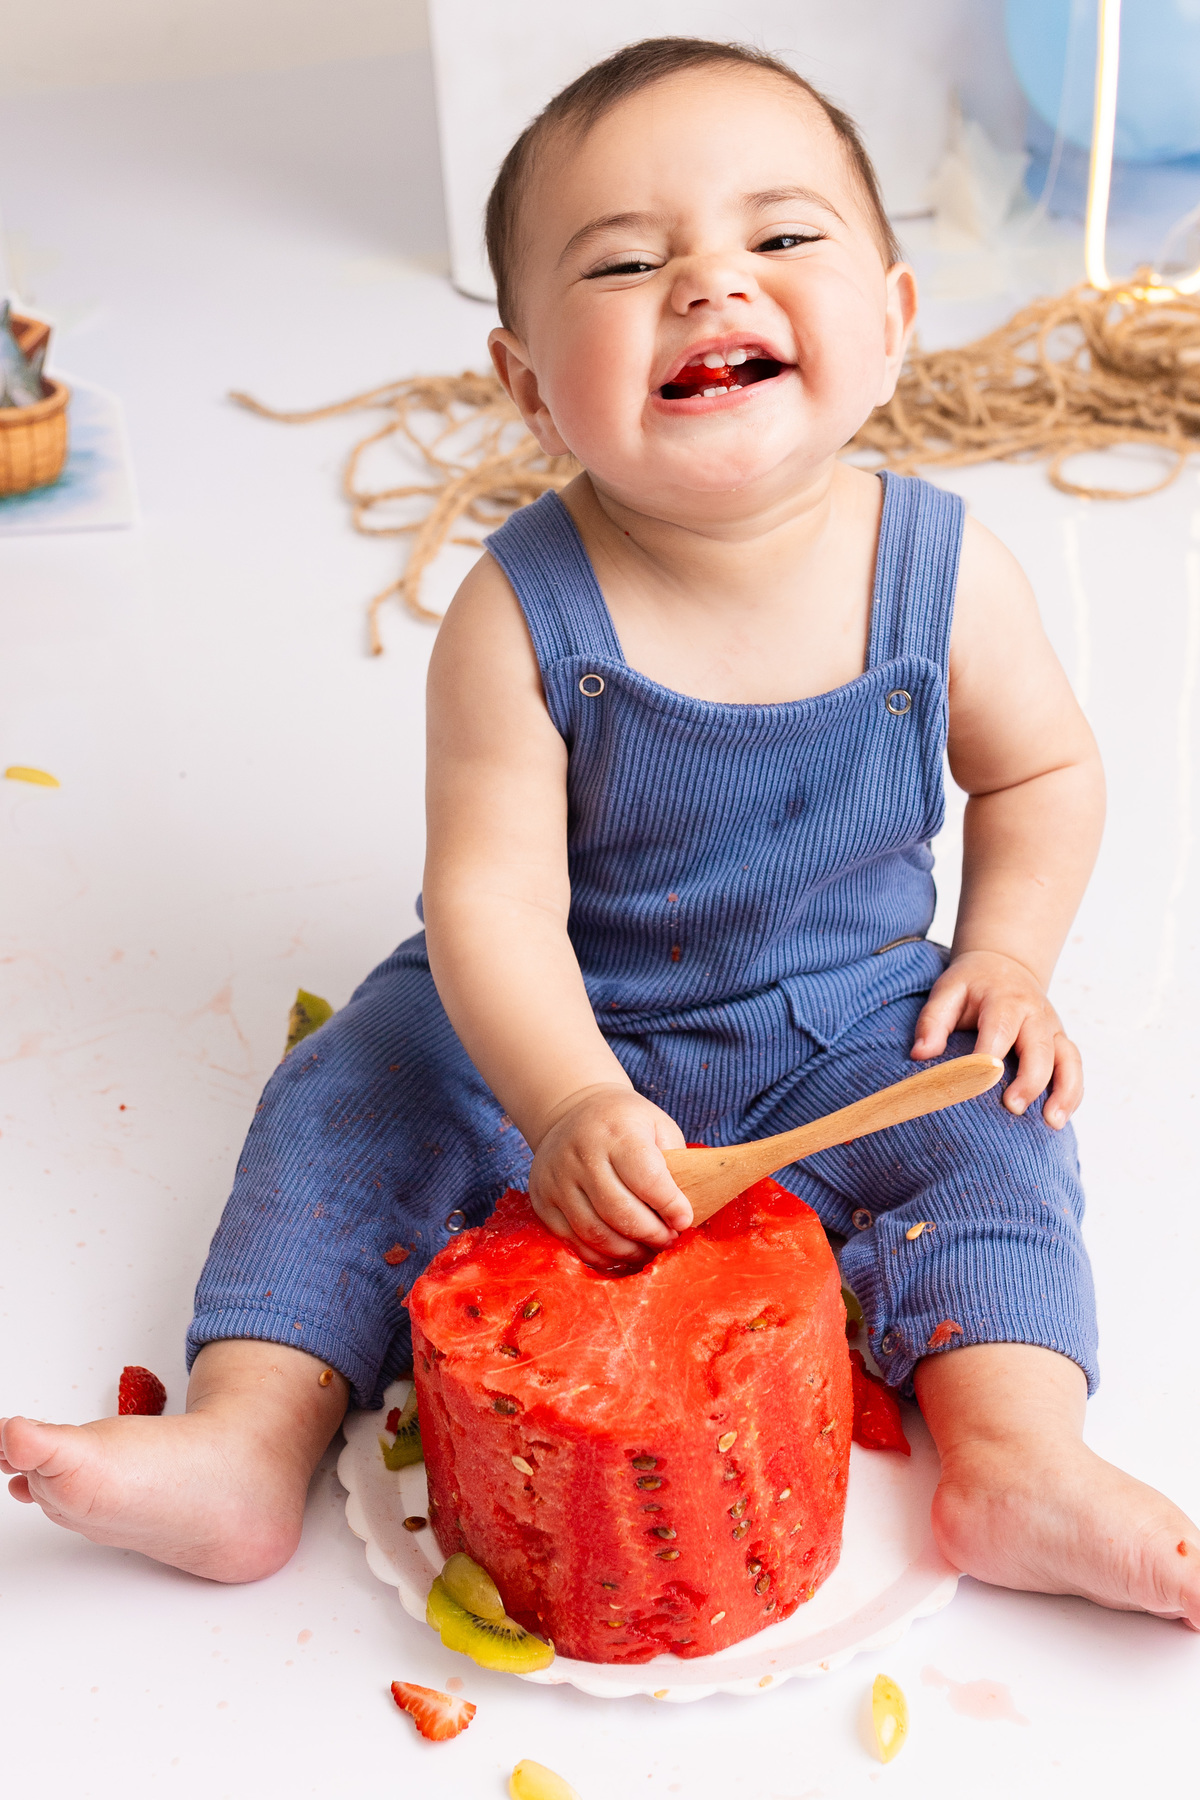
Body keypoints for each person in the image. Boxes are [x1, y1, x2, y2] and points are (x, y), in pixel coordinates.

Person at [4, 36, 1198, 1625]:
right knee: (352, 1102)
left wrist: (1008, 955)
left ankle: (1018, 1457)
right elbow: (489, 902)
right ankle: (246, 1437)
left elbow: (1044, 773)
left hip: (852, 1019)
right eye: (628, 263)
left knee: (998, 1133)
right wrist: (562, 1096)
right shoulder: (518, 614)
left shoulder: (948, 572)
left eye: (782, 235)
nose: (710, 283)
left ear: (895, 319)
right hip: (555, 1022)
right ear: (526, 386)